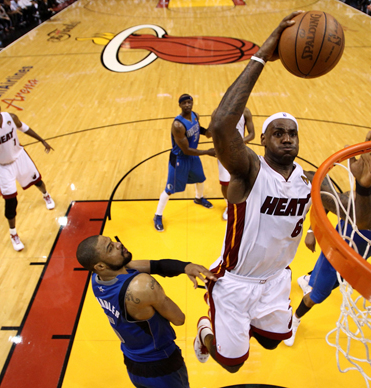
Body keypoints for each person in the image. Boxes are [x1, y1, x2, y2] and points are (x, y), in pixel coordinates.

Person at [192, 12, 371, 373]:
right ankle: (207, 327)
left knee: (269, 340)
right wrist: (263, 54)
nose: (286, 137)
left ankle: (244, 326)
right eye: (277, 132)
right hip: (235, 281)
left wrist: (363, 186)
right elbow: (219, 124)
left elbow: (362, 223)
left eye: (292, 133)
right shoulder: (248, 170)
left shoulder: (313, 180)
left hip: (277, 279)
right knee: (231, 363)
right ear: (262, 139)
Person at [284, 168, 371, 346]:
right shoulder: (355, 199)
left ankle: (308, 278)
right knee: (317, 296)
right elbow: (326, 204)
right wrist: (311, 231)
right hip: (335, 254)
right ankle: (294, 321)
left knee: (333, 284)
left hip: (357, 261)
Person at [76, 235, 217, 388]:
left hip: (132, 361)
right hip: (162, 363)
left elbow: (156, 266)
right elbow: (179, 319)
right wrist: (156, 295)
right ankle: (204, 334)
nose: (118, 244)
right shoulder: (141, 285)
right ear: (101, 266)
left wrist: (185, 266)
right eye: (110, 248)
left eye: (112, 241)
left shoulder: (97, 279)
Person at [0, 98, 55, 251]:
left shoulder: (11, 117)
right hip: (4, 167)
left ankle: (46, 195)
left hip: (20, 157)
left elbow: (24, 128)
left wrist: (42, 140)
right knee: (10, 202)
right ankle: (13, 234)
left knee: (38, 182)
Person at [153, 94, 216, 232]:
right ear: (179, 105)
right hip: (180, 158)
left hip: (192, 156)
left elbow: (201, 131)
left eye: (189, 102)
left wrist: (212, 125)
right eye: (184, 103)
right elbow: (186, 150)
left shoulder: (195, 115)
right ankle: (157, 215)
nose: (187, 105)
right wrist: (207, 152)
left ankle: (198, 198)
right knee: (170, 189)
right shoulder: (177, 125)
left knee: (200, 179)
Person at [216, 106, 255, 220]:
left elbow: (252, 134)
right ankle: (229, 206)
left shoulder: (246, 111)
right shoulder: (220, 111)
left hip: (240, 152)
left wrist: (236, 142)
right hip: (224, 151)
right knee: (225, 183)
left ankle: (242, 205)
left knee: (242, 181)